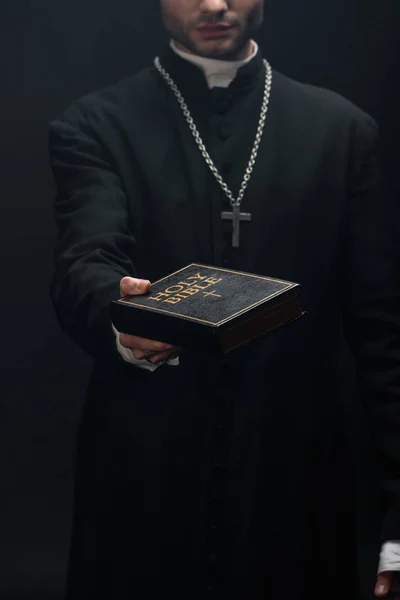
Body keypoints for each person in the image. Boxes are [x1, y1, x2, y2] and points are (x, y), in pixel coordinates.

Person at [49, 1, 400, 598]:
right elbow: (86, 259)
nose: (215, 3)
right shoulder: (96, 124)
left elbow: (385, 332)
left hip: (296, 475)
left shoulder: (342, 130)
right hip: (145, 476)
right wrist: (118, 307)